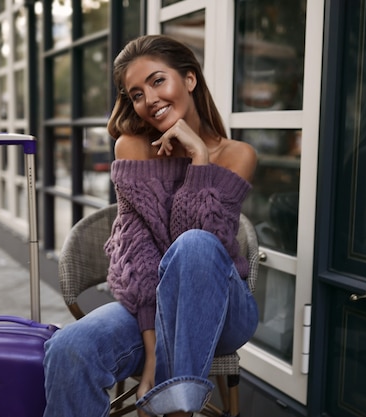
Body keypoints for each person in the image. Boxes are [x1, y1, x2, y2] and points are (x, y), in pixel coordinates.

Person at [43, 34, 259, 417]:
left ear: (189, 79)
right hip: (150, 303)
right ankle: (171, 394)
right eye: (136, 93)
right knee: (70, 347)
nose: (149, 99)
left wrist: (199, 159)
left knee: (195, 245)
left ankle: (173, 409)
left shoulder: (237, 155)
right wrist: (151, 352)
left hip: (224, 308)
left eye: (158, 80)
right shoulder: (132, 147)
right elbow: (138, 256)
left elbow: (204, 243)